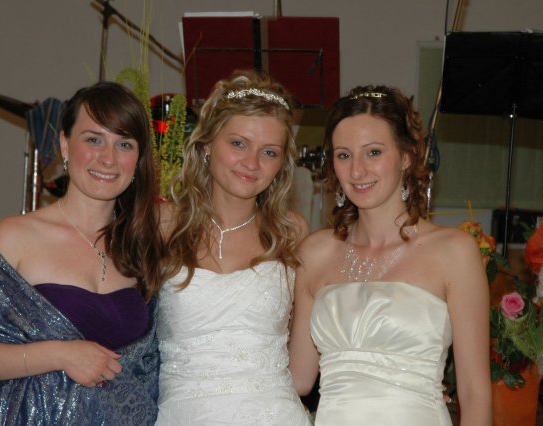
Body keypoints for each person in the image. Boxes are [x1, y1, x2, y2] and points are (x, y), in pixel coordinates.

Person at [0, 81, 163, 425]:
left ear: (139, 159)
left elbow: (154, 370)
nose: (108, 158)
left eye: (124, 144)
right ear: (64, 144)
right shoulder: (16, 236)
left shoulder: (144, 247)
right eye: (93, 139)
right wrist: (59, 354)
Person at [288, 85, 491, 425]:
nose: (357, 171)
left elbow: (474, 394)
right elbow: (299, 378)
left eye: (373, 152)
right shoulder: (315, 252)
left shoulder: (454, 252)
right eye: (343, 155)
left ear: (407, 156)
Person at [155, 70, 312, 425]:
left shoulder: (291, 233)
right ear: (207, 145)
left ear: (281, 165)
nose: (252, 163)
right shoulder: (163, 225)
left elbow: (309, 357)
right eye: (238, 144)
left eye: (269, 152)